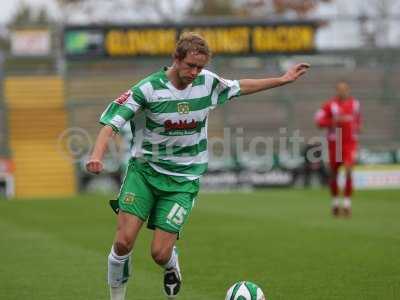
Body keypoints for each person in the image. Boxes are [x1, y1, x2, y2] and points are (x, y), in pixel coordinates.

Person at [86, 32, 310, 300]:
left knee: (159, 253)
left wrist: (282, 80)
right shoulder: (147, 89)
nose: (195, 72)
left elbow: (241, 86)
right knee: (123, 242)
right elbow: (111, 123)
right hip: (143, 173)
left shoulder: (208, 83)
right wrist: (96, 156)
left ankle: (171, 262)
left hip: (183, 180)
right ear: (175, 59)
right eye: (190, 65)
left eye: (200, 67)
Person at [315, 81, 361, 217]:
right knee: (334, 174)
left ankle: (347, 204)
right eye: (340, 89)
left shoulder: (356, 104)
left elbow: (358, 120)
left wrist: (357, 128)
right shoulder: (330, 105)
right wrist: (333, 122)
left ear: (349, 90)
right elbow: (318, 122)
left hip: (350, 143)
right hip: (335, 143)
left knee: (348, 170)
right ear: (336, 91)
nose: (343, 92)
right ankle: (335, 203)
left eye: (345, 89)